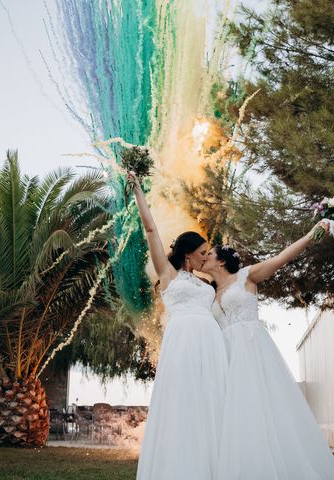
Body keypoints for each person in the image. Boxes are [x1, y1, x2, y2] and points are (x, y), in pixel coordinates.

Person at [200, 223, 334, 480]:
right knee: (234, 414)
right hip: (225, 356)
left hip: (250, 350)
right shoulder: (208, 294)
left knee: (260, 407)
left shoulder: (246, 277)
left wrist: (311, 233)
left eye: (209, 255)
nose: (204, 259)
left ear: (222, 262)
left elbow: (282, 258)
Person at [128, 172, 228, 480]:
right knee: (184, 401)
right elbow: (150, 230)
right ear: (187, 253)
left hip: (211, 342)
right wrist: (138, 192)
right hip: (183, 341)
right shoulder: (168, 275)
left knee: (213, 400)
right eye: (201, 253)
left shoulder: (207, 282)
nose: (205, 258)